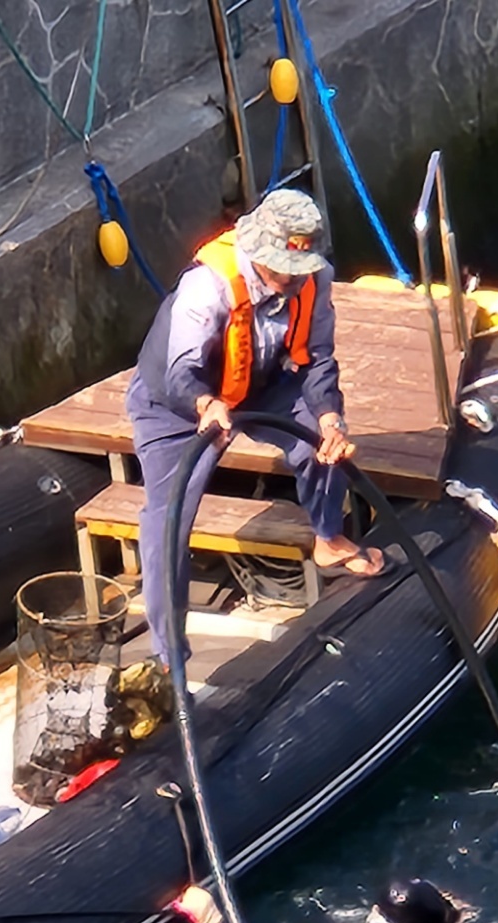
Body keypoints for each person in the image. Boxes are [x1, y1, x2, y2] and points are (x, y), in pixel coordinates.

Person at [126, 187, 385, 659]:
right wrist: (205, 404)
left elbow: (318, 359)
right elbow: (177, 369)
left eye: (300, 270)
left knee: (320, 442)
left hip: (258, 381)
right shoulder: (208, 287)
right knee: (168, 522)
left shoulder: (315, 279)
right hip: (179, 402)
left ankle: (328, 537)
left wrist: (329, 416)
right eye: (282, 268)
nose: (291, 279)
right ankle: (169, 654)